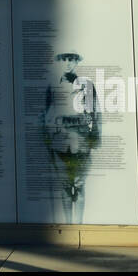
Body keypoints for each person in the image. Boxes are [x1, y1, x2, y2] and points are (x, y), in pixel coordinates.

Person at [42, 50, 100, 224]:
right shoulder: (52, 87)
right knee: (65, 188)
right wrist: (48, 140)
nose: (68, 63)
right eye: (65, 59)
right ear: (60, 61)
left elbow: (93, 115)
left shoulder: (86, 85)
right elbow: (46, 116)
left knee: (80, 186)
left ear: (77, 62)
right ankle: (68, 227)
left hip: (80, 143)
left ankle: (79, 226)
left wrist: (91, 139)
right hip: (60, 144)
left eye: (72, 59)